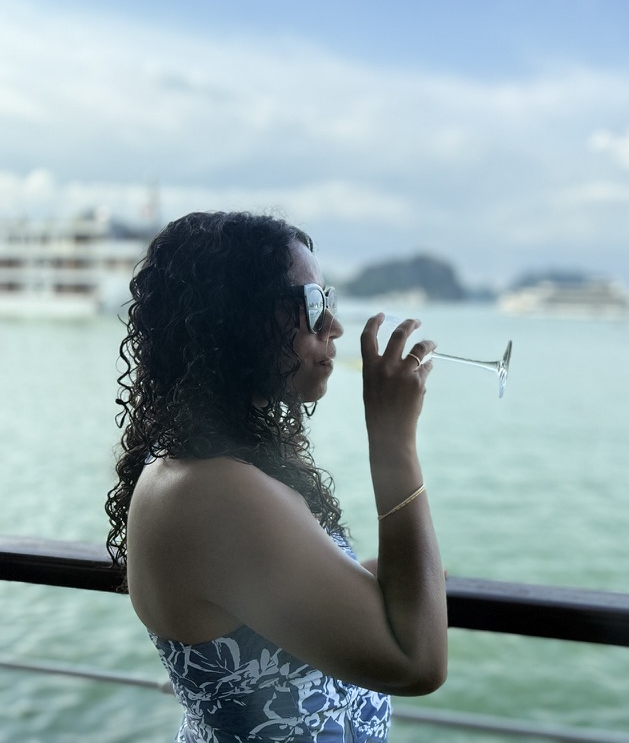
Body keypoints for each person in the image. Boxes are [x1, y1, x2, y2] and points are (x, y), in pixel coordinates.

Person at [105, 211, 447, 742]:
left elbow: (273, 585)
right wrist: (393, 442)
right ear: (235, 318)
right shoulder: (217, 494)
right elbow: (417, 663)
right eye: (313, 305)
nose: (333, 326)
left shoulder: (208, 467)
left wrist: (406, 581)